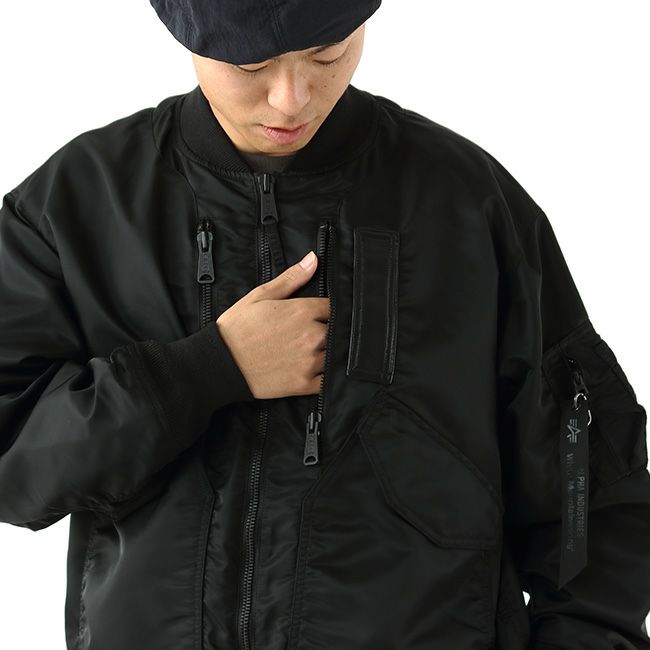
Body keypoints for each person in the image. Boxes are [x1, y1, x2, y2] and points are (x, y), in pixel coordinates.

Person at [0, 1, 649, 648]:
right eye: (250, 64)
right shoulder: (76, 207)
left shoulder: (468, 206)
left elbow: (593, 504)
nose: (292, 99)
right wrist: (207, 371)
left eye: (328, 52)